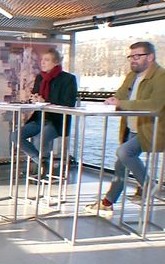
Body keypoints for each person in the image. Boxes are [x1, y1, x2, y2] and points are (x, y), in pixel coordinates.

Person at [85, 41, 165, 218]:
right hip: (131, 127)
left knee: (124, 153)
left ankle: (150, 188)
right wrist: (112, 100)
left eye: (137, 56)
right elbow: (121, 94)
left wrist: (122, 104)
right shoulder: (132, 76)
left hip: (152, 129)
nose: (133, 60)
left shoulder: (162, 76)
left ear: (150, 57)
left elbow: (156, 105)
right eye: (131, 56)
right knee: (120, 166)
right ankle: (107, 203)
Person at [13, 47, 77, 175]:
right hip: (39, 118)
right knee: (16, 136)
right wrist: (34, 98)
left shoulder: (68, 79)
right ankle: (42, 163)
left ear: (56, 62)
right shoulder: (40, 78)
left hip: (56, 120)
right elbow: (36, 96)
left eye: (46, 60)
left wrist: (45, 100)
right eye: (42, 59)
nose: (42, 62)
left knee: (40, 138)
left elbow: (68, 102)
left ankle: (42, 169)